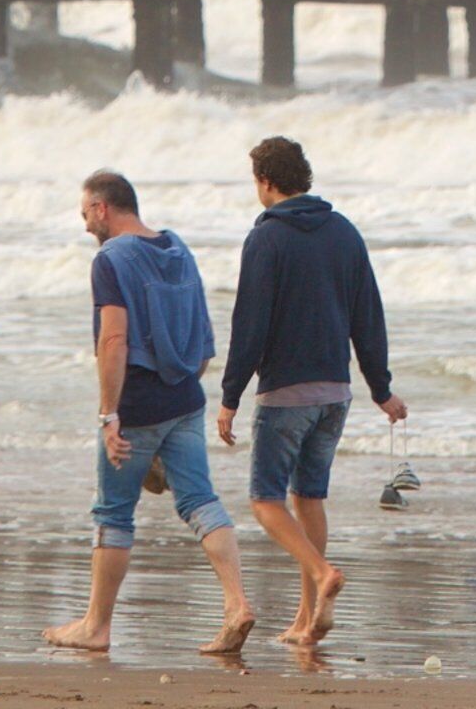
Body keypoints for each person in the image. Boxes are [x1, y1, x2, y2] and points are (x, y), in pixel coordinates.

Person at [42, 169, 255, 657]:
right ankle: (236, 603)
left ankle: (96, 626)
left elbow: (113, 340)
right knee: (200, 500)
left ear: (102, 208)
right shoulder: (176, 247)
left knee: (113, 512)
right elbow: (203, 335)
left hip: (136, 405)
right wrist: (185, 382)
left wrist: (108, 414)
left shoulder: (110, 259)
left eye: (84, 214)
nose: (85, 226)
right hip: (185, 397)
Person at [214, 135, 406, 646]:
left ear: (266, 181)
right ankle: (308, 619)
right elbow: (369, 314)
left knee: (265, 501)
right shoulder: (344, 232)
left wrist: (231, 395)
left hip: (285, 394)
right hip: (334, 393)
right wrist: (380, 388)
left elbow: (249, 324)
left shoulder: (266, 239)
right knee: (309, 497)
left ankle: (322, 575)